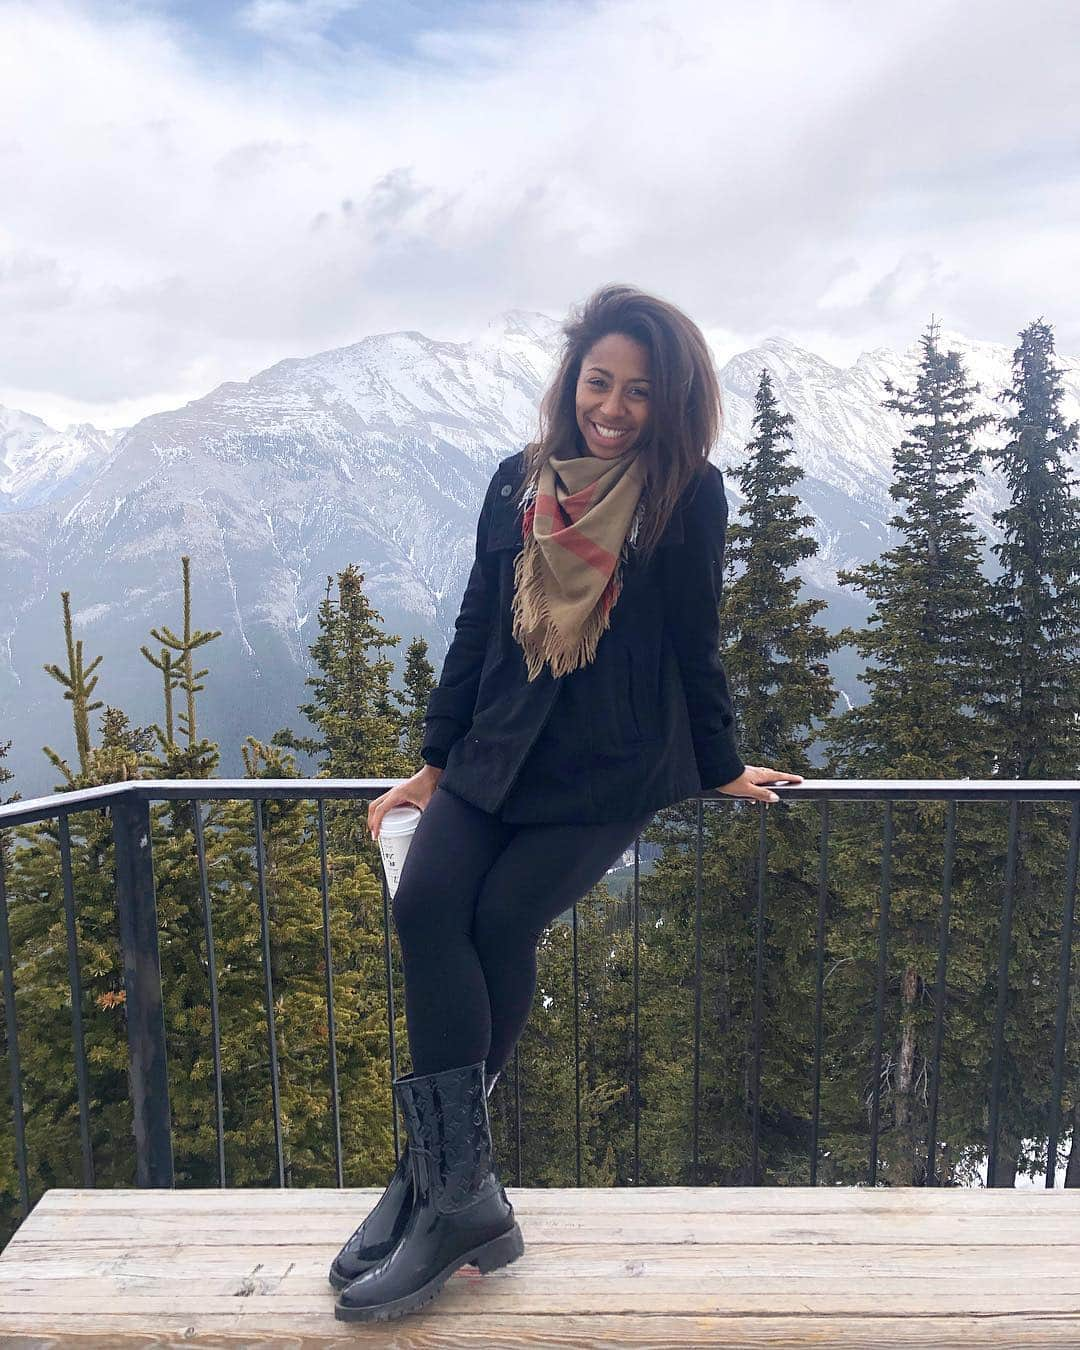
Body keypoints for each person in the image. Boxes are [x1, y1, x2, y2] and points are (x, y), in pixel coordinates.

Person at [332, 283, 803, 1323]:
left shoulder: (687, 493)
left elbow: (694, 641)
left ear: (670, 399)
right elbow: (474, 629)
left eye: (640, 389)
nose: (616, 405)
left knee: (500, 920)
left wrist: (718, 762)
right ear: (573, 380)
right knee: (426, 909)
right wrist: (432, 763)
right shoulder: (518, 481)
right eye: (601, 381)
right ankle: (447, 1189)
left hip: (609, 765)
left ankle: (437, 1191)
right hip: (498, 753)